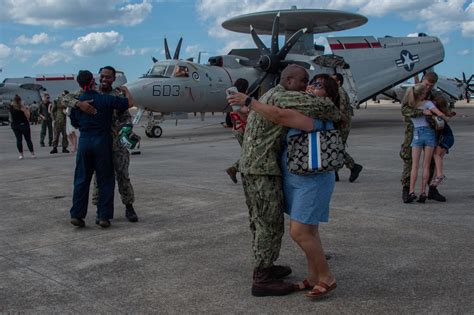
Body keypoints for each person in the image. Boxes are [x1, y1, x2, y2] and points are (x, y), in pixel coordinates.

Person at [227, 65, 337, 297]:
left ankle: (277, 269)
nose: (307, 86)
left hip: (276, 171)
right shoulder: (282, 96)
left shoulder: (272, 97)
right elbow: (280, 116)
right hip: (264, 170)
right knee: (269, 224)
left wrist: (248, 104)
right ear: (288, 80)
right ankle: (263, 276)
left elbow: (323, 109)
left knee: (273, 224)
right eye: (305, 81)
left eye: (315, 83)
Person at [63, 66, 139, 222]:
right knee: (100, 178)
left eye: (108, 77)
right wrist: (79, 104)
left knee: (122, 175)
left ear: (113, 78)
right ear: (97, 79)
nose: (104, 79)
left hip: (116, 143)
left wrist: (126, 129)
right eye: (102, 76)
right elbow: (65, 99)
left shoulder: (115, 94)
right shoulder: (90, 93)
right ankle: (101, 211)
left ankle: (128, 206)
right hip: (101, 142)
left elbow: (126, 117)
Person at [400, 72, 447, 203]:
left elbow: (444, 112)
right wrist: (421, 112)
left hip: (431, 132)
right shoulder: (413, 92)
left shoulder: (436, 95)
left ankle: (430, 190)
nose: (427, 88)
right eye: (426, 84)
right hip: (412, 132)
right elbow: (404, 110)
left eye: (430, 86)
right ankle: (406, 189)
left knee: (431, 163)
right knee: (409, 160)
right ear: (422, 80)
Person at [331, 73, 363, 182]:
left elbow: (342, 109)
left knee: (337, 147)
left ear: (338, 81)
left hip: (342, 124)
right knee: (336, 147)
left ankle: (353, 167)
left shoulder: (340, 91)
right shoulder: (336, 91)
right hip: (341, 122)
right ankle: (334, 172)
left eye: (333, 79)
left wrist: (339, 120)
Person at [225, 78, 249, 184]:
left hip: (237, 129)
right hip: (244, 129)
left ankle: (234, 169)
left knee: (247, 153)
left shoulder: (233, 99)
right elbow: (248, 113)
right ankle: (236, 169)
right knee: (250, 154)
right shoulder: (242, 101)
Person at [430, 95, 456, 188]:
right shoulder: (443, 114)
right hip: (449, 137)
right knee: (439, 158)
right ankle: (435, 181)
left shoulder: (439, 115)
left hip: (446, 137)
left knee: (436, 155)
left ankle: (439, 174)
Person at [9, 95, 35, 159]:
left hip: (15, 125)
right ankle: (32, 154)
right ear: (20, 100)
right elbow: (28, 116)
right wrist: (26, 110)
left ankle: (21, 154)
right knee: (28, 139)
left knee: (19, 140)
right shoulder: (22, 107)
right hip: (24, 124)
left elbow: (10, 118)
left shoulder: (11, 107)